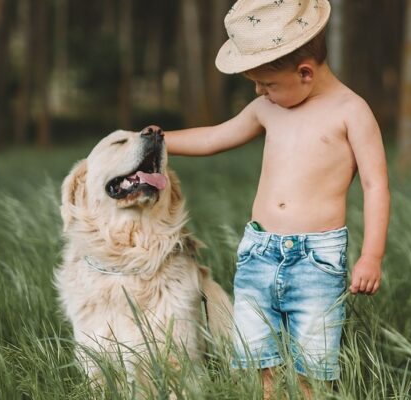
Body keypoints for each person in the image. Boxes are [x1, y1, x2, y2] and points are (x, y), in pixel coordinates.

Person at [163, 0, 389, 397]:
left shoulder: (351, 111)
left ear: (305, 73)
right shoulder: (267, 108)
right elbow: (215, 137)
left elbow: (375, 186)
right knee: (253, 361)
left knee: (313, 367)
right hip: (258, 253)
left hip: (316, 261)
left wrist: (371, 255)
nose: (258, 91)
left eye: (267, 84)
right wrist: (158, 141)